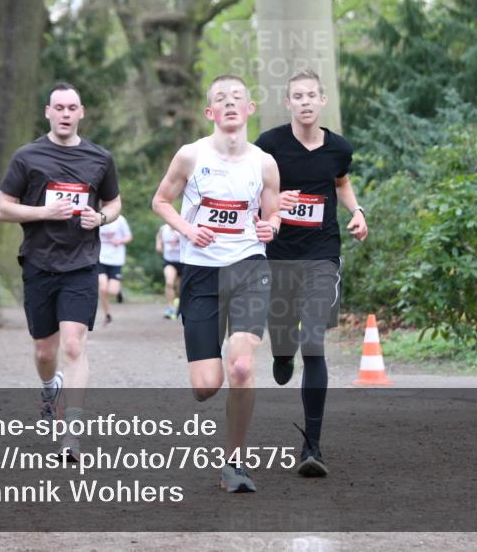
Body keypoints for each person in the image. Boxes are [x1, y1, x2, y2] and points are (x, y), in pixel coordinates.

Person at [151, 74, 281, 493]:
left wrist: (271, 226)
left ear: (249, 109)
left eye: (237, 98)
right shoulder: (190, 156)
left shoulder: (264, 162)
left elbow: (272, 212)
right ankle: (207, 370)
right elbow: (160, 201)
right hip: (201, 271)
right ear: (210, 112)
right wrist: (187, 232)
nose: (229, 104)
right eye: (220, 99)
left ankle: (234, 464)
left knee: (242, 366)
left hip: (248, 266)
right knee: (207, 385)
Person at [0, 82, 121, 459]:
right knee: (44, 350)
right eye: (59, 108)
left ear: (81, 112)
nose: (65, 114)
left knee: (73, 345)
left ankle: (73, 433)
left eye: (72, 108)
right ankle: (50, 388)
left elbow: (115, 203)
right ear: (48, 112)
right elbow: (3, 208)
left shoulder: (100, 158)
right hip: (38, 262)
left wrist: (99, 217)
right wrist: (43, 213)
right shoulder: (27, 157)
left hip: (81, 264)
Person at [254, 69, 368, 479]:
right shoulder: (268, 144)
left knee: (313, 339)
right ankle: (280, 354)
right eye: (297, 96)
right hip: (279, 255)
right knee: (285, 338)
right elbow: (250, 186)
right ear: (288, 103)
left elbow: (340, 183)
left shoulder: (339, 148)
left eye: (311, 96)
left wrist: (357, 212)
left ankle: (312, 445)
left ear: (322, 101)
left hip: (322, 254)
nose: (304, 102)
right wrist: (272, 200)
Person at [98, 214, 132, 324]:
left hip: (116, 259)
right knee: (103, 288)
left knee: (112, 291)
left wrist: (120, 241)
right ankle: (107, 314)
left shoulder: (120, 219)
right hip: (101, 258)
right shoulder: (97, 218)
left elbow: (129, 237)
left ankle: (118, 292)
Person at [155, 223, 183, 320]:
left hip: (183, 262)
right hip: (169, 261)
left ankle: (180, 308)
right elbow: (158, 236)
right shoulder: (163, 228)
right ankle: (170, 308)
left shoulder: (181, 228)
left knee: (181, 288)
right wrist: (158, 244)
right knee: (169, 283)